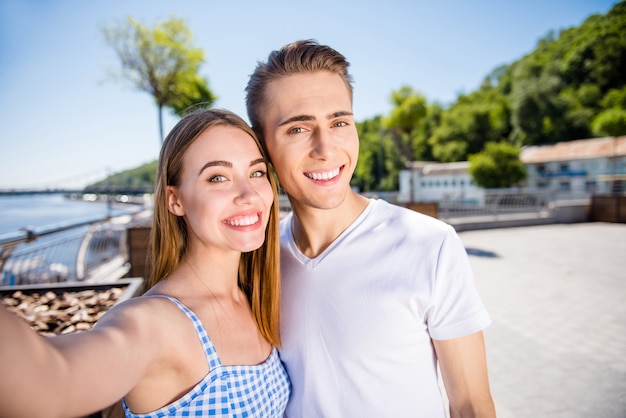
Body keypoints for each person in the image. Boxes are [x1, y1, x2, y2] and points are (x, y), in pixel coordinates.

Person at [245, 39, 495, 417]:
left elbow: (471, 404)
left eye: (339, 122)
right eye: (298, 129)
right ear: (261, 147)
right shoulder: (255, 260)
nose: (326, 148)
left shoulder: (430, 244)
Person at [0, 108, 290, 418]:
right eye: (217, 177)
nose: (248, 194)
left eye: (257, 172)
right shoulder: (154, 324)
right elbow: (52, 383)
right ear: (175, 200)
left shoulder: (257, 296)